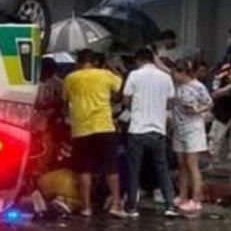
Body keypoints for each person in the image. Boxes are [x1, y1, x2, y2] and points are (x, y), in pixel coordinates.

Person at [63, 49, 124, 218]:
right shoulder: (105, 75)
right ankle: (116, 205)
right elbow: (120, 88)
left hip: (81, 129)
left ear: (78, 62)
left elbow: (65, 102)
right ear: (95, 62)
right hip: (104, 126)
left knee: (85, 169)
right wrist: (111, 67)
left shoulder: (70, 78)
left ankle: (86, 207)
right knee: (111, 167)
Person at [121, 48, 177, 218]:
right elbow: (171, 101)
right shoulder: (165, 77)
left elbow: (125, 99)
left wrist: (135, 106)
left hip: (137, 130)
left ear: (139, 60)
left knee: (134, 170)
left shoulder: (134, 75)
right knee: (162, 169)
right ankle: (170, 206)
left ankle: (132, 207)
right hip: (158, 130)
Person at [171, 61, 212, 213]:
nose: (174, 76)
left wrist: (197, 110)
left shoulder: (198, 86)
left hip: (193, 128)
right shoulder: (177, 87)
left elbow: (209, 103)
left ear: (183, 72)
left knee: (191, 163)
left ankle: (196, 198)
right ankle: (182, 195)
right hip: (179, 127)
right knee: (181, 163)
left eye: (176, 73)